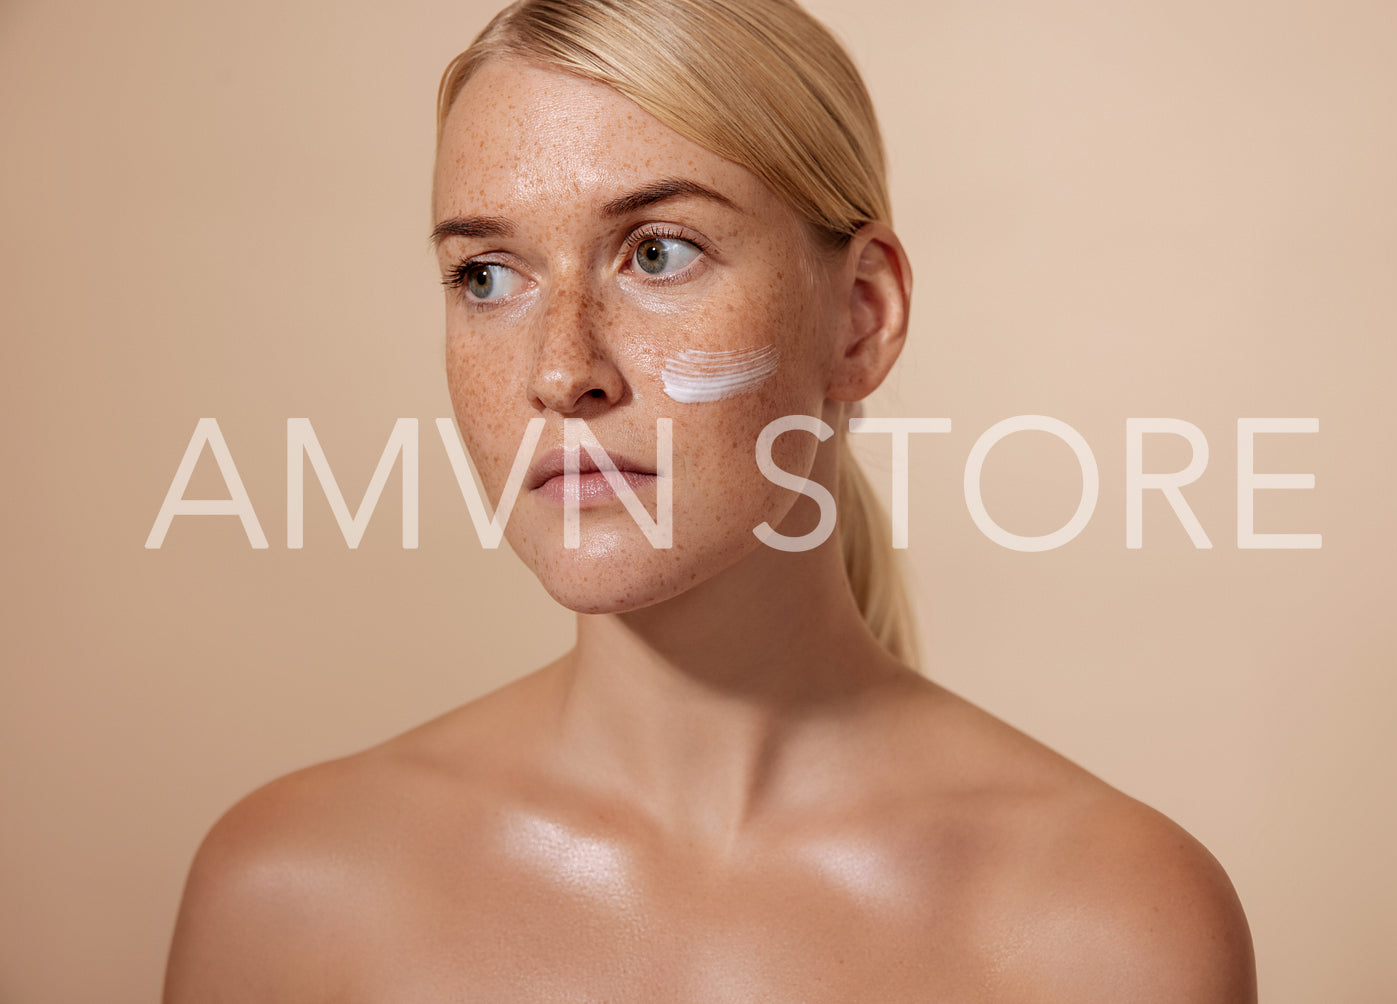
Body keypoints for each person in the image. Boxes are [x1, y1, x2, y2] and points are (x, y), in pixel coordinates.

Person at [164, 0, 1257, 999]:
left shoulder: (1108, 927)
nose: (560, 370)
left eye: (657, 251)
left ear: (861, 317)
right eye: (486, 274)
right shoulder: (289, 893)